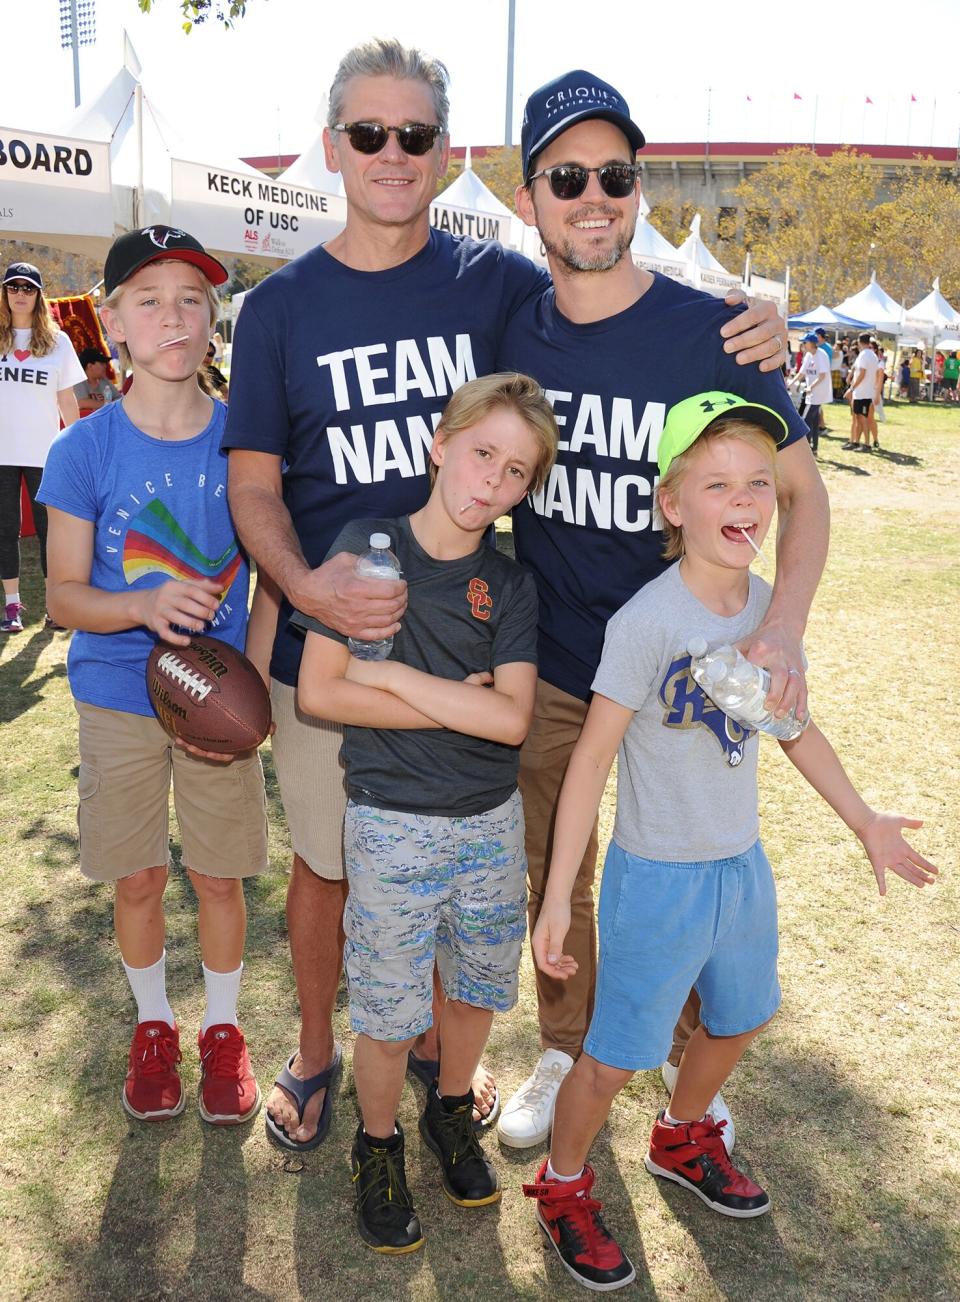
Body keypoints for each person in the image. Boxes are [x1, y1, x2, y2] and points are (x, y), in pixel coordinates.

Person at [221, 39, 788, 1151]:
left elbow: (611, 292)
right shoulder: (283, 306)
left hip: (487, 643)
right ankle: (319, 1050)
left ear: (447, 154)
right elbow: (252, 483)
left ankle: (455, 1055)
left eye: (417, 135)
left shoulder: (500, 286)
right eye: (371, 133)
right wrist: (305, 590)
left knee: (490, 863)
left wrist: (752, 312)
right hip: (336, 645)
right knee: (333, 864)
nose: (393, 154)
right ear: (334, 144)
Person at [523, 392, 938, 1291]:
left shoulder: (767, 611)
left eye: (758, 480)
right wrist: (558, 898)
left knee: (743, 1016)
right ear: (674, 505)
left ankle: (681, 1137)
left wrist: (864, 819)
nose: (744, 498)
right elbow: (590, 761)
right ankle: (562, 1184)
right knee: (615, 1056)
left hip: (740, 867)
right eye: (717, 483)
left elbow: (796, 730)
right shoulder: (645, 622)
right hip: (656, 878)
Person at [493, 71, 830, 1150]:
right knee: (564, 870)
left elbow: (805, 494)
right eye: (567, 177)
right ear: (532, 195)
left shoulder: (716, 332)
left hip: (691, 673)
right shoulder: (509, 324)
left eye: (614, 175)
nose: (593, 197)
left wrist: (785, 627)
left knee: (687, 871)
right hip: (558, 664)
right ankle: (562, 1044)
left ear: (638, 189)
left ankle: (689, 1078)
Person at [294, 372, 556, 1253]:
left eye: (517, 471)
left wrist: (398, 676)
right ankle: (376, 1147)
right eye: (482, 453)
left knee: (475, 992)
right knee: (389, 1010)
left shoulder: (510, 585)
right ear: (440, 445)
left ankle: (451, 1111)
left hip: (489, 823)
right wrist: (457, 697)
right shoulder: (366, 546)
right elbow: (321, 692)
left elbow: (512, 718)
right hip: (392, 819)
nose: (493, 481)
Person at [37, 226, 270, 1128]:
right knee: (136, 878)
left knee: (220, 877)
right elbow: (62, 596)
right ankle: (152, 1026)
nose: (173, 316)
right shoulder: (84, 451)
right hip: (118, 697)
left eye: (191, 298)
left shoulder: (244, 444)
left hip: (215, 698)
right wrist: (139, 606)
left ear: (212, 317)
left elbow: (268, 576)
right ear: (112, 323)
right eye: (148, 300)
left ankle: (220, 1032)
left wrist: (252, 678)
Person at [0, 262, 82, 632]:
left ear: (38, 295)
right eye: (12, 287)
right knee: (5, 529)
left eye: (27, 288)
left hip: (45, 453)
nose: (20, 293)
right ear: (4, 293)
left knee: (52, 530)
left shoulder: (58, 341)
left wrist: (78, 446)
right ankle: (12, 607)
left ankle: (54, 606)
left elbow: (67, 401)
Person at [788, 332, 831, 454]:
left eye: (805, 342)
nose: (803, 345)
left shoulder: (821, 355)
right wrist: (790, 384)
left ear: (811, 343)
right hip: (811, 393)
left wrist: (811, 387)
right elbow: (802, 373)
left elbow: (822, 375)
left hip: (818, 393)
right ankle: (814, 449)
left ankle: (805, 449)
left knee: (805, 420)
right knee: (814, 420)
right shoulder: (808, 356)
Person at [843, 333, 879, 450]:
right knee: (858, 417)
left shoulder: (864, 355)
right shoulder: (872, 355)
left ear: (859, 341)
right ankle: (856, 442)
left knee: (862, 418)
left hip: (863, 392)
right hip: (865, 391)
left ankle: (867, 444)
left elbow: (862, 373)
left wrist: (852, 388)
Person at [74, 346, 120, 417]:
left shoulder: (104, 380)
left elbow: (119, 399)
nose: (105, 366)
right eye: (102, 363)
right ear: (90, 366)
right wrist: (108, 405)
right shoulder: (79, 381)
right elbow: (81, 402)